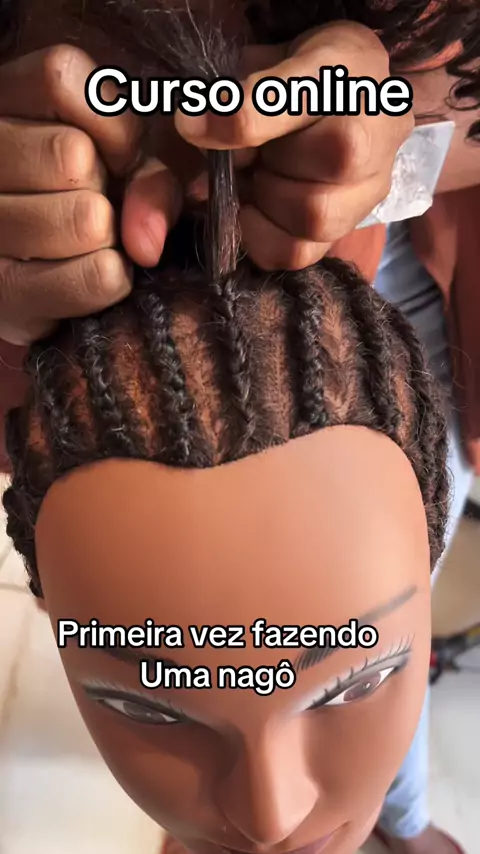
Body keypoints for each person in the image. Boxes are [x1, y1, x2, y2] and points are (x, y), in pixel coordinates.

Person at [0, 2, 478, 853]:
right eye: (149, 706)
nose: (267, 820)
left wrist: (401, 124)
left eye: (350, 686)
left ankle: (402, 813)